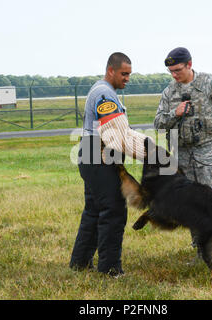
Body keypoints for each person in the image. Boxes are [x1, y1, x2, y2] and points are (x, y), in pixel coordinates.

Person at [154, 47, 212, 254]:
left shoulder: (210, 84)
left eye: (178, 70)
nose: (175, 75)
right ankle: (201, 250)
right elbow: (158, 124)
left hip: (209, 151)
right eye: (171, 72)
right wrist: (174, 113)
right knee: (191, 205)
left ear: (190, 65)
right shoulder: (169, 92)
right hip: (182, 155)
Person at [70, 52, 148, 277]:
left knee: (94, 210)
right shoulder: (105, 94)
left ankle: (80, 262)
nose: (127, 78)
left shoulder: (101, 89)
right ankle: (110, 269)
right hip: (99, 155)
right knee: (113, 210)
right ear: (110, 70)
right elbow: (118, 137)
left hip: (91, 153)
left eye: (129, 74)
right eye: (124, 74)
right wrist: (151, 154)